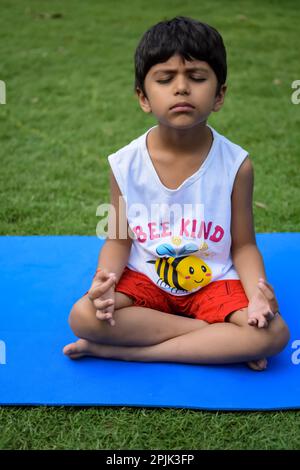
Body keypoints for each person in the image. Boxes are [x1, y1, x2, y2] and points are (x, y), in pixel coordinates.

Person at [63, 16, 290, 370]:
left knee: (273, 334)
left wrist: (259, 293)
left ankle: (125, 352)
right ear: (143, 97)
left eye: (197, 78)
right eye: (165, 79)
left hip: (213, 281)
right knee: (83, 316)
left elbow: (243, 245)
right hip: (146, 279)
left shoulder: (236, 165)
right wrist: (103, 283)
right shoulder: (124, 163)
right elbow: (119, 240)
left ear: (219, 95)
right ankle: (215, 339)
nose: (181, 88)